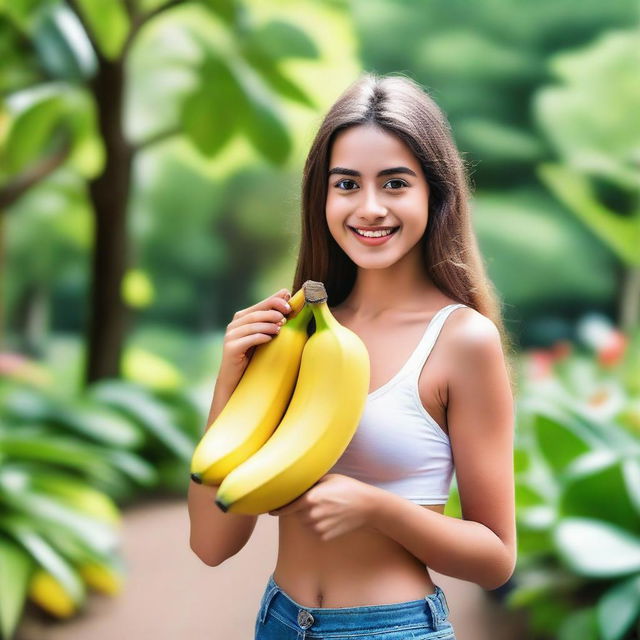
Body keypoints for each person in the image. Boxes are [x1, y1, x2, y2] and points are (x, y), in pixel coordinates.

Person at [188, 71, 517, 640]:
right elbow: (212, 545)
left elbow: (496, 558)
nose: (368, 208)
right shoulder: (294, 333)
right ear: (322, 196)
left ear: (433, 194)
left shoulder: (462, 341)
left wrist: (378, 509)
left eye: (394, 184)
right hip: (279, 620)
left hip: (392, 628)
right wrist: (229, 382)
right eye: (346, 184)